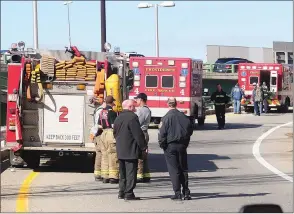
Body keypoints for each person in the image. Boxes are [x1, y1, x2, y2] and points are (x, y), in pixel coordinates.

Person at [158, 97, 193, 201]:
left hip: (170, 146)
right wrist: (185, 143)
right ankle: (186, 192)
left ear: (167, 104)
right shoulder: (184, 116)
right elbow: (190, 131)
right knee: (183, 169)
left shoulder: (166, 117)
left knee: (174, 169)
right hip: (182, 145)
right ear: (176, 104)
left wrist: (162, 144)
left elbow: (162, 133)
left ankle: (177, 193)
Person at [113, 99, 147, 200]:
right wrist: (143, 147)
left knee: (122, 173)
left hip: (120, 149)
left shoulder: (118, 117)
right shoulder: (132, 117)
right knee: (131, 172)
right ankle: (129, 193)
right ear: (130, 107)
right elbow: (138, 134)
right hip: (130, 149)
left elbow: (114, 132)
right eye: (134, 106)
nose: (135, 109)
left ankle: (121, 192)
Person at [98, 95, 119, 184]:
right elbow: (114, 126)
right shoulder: (112, 112)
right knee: (113, 155)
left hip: (103, 133)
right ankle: (113, 176)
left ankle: (105, 176)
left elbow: (99, 125)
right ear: (111, 102)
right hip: (110, 133)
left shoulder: (102, 112)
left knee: (104, 155)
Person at [134, 93, 151, 183]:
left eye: (137, 99)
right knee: (143, 154)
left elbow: (137, 122)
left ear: (141, 100)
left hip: (141, 133)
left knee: (139, 154)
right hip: (143, 133)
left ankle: (139, 175)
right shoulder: (146, 109)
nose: (136, 101)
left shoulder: (142, 110)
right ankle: (145, 174)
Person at [90, 99, 106, 181]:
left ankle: (98, 174)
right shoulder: (100, 111)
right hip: (99, 134)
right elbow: (98, 125)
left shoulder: (100, 110)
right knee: (100, 154)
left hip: (97, 134)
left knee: (100, 154)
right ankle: (99, 174)